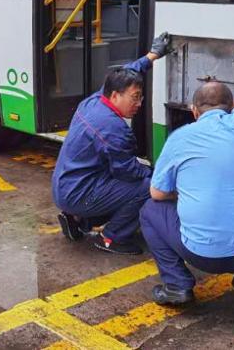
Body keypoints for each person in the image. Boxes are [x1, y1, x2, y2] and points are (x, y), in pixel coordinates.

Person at [139, 36, 234, 306]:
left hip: (203, 256)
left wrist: (187, 196)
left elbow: (157, 193)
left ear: (194, 112)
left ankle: (177, 286)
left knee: (149, 211)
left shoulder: (179, 139)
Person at [52, 33, 172, 255]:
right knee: (148, 187)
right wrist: (159, 175)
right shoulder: (114, 129)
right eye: (135, 97)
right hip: (77, 192)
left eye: (141, 98)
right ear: (116, 96)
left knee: (123, 182)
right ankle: (112, 237)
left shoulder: (95, 100)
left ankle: (79, 220)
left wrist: (151, 56)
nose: (139, 104)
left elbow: (128, 72)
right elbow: (127, 171)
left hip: (66, 184)